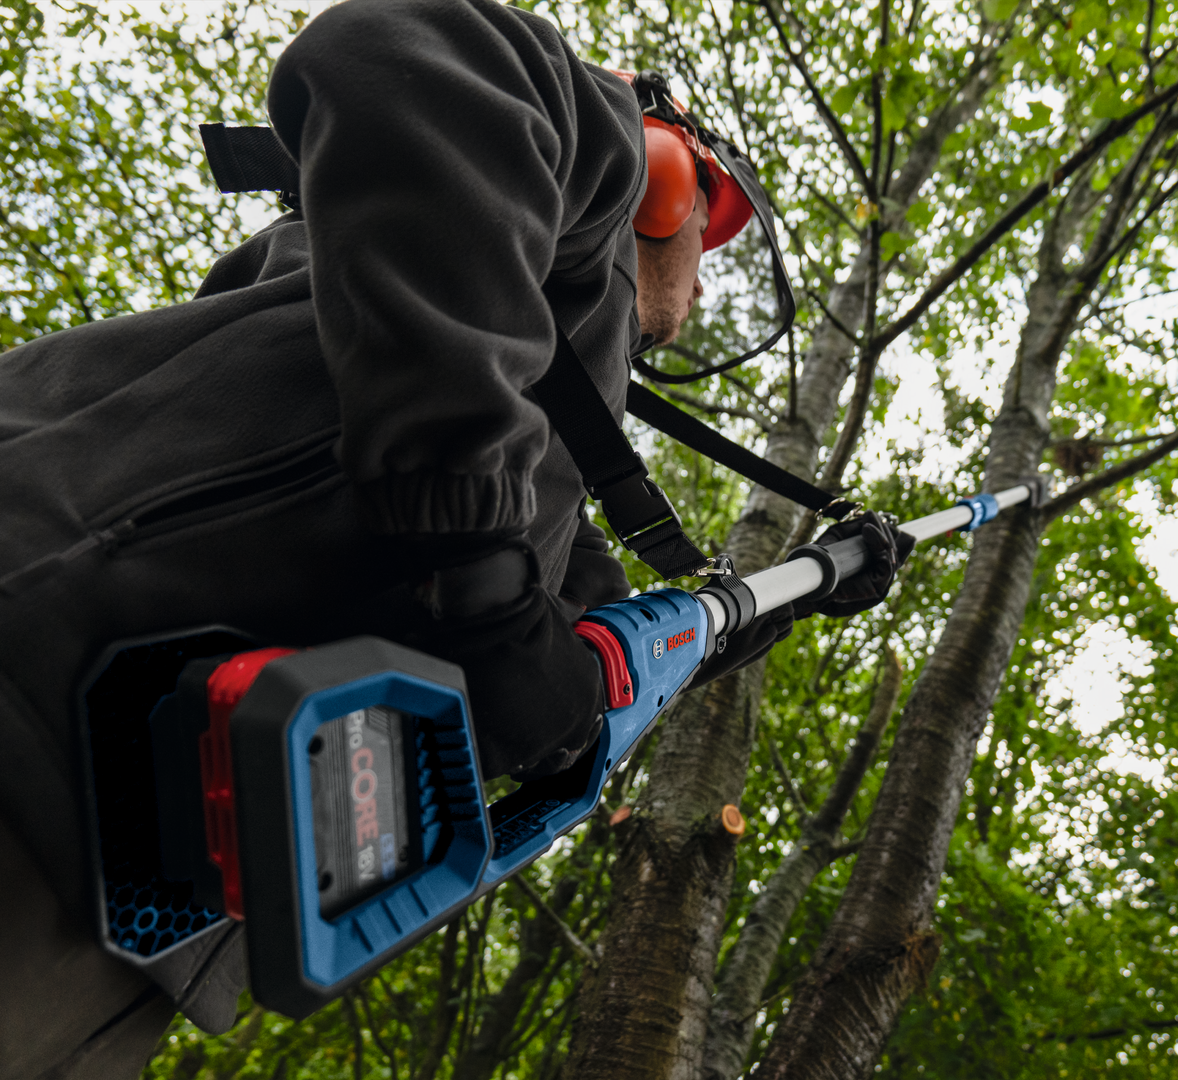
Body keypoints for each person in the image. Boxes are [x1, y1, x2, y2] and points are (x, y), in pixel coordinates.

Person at [0, 1, 909, 1076]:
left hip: (155, 903)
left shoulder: (513, 423)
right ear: (666, 184)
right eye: (706, 236)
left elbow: (572, 657)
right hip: (48, 696)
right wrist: (481, 578)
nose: (704, 283)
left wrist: (737, 621)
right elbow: (397, 52)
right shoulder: (579, 192)